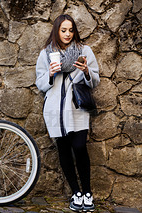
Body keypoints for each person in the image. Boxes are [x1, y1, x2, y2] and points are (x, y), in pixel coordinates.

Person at [35, 14, 100, 212]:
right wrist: (51, 74)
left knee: (80, 147)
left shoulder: (84, 50)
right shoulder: (46, 54)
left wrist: (87, 71)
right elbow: (40, 84)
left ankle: (87, 192)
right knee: (63, 151)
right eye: (63, 30)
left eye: (71, 30)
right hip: (55, 109)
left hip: (76, 108)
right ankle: (75, 193)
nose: (68, 34)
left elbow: (95, 80)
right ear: (56, 31)